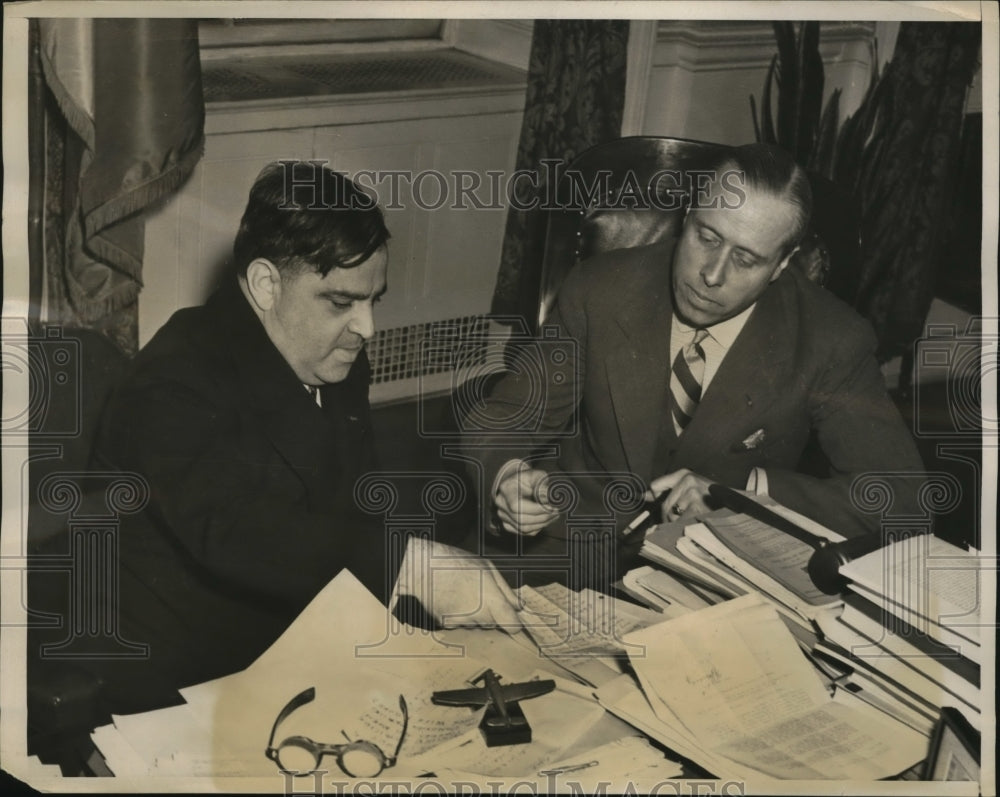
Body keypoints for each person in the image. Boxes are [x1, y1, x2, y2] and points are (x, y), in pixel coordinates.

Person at [31, 162, 517, 716]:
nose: (368, 328)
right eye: (340, 302)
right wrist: (411, 567)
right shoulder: (171, 380)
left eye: (372, 300)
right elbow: (237, 528)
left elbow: (352, 506)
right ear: (265, 284)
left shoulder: (332, 359)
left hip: (288, 650)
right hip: (174, 685)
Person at [468, 143, 925, 590]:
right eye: (707, 237)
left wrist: (741, 492)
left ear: (783, 264)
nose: (711, 274)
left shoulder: (831, 339)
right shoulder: (601, 287)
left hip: (717, 573)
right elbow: (505, 415)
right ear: (687, 218)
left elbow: (902, 501)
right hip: (562, 547)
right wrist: (507, 476)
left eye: (746, 259)